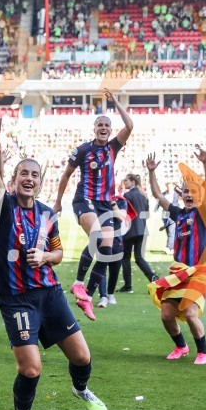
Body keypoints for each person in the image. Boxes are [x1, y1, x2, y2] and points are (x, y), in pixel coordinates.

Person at [0, 143, 108, 410]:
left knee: (82, 357)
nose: (29, 178)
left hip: (50, 294)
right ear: (13, 179)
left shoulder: (47, 214)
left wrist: (45, 257)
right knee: (30, 369)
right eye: (23, 174)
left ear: (40, 183)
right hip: (16, 298)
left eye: (34, 175)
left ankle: (81, 389)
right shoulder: (4, 207)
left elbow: (59, 253)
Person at [54, 88, 133, 321]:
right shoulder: (83, 150)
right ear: (94, 128)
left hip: (105, 204)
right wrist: (58, 202)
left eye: (107, 125)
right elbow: (66, 175)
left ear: (110, 129)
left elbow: (129, 126)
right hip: (85, 200)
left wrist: (115, 100)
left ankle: (86, 296)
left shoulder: (113, 147)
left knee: (107, 251)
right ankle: (78, 283)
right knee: (97, 237)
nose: (104, 128)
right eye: (100, 125)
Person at [145, 146, 206, 365]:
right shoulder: (177, 213)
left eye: (193, 191)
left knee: (191, 314)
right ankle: (181, 346)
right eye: (186, 191)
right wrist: (151, 172)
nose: (189, 195)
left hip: (199, 272)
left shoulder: (203, 213)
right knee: (166, 315)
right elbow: (158, 195)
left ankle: (203, 352)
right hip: (179, 272)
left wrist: (205, 163)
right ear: (181, 194)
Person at [119, 174, 158, 293]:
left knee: (125, 257)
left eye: (126, 180)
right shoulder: (143, 195)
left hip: (130, 229)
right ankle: (153, 277)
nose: (124, 182)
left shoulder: (127, 196)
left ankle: (128, 286)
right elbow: (146, 213)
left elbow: (123, 213)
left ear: (133, 181)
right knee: (139, 257)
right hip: (142, 229)